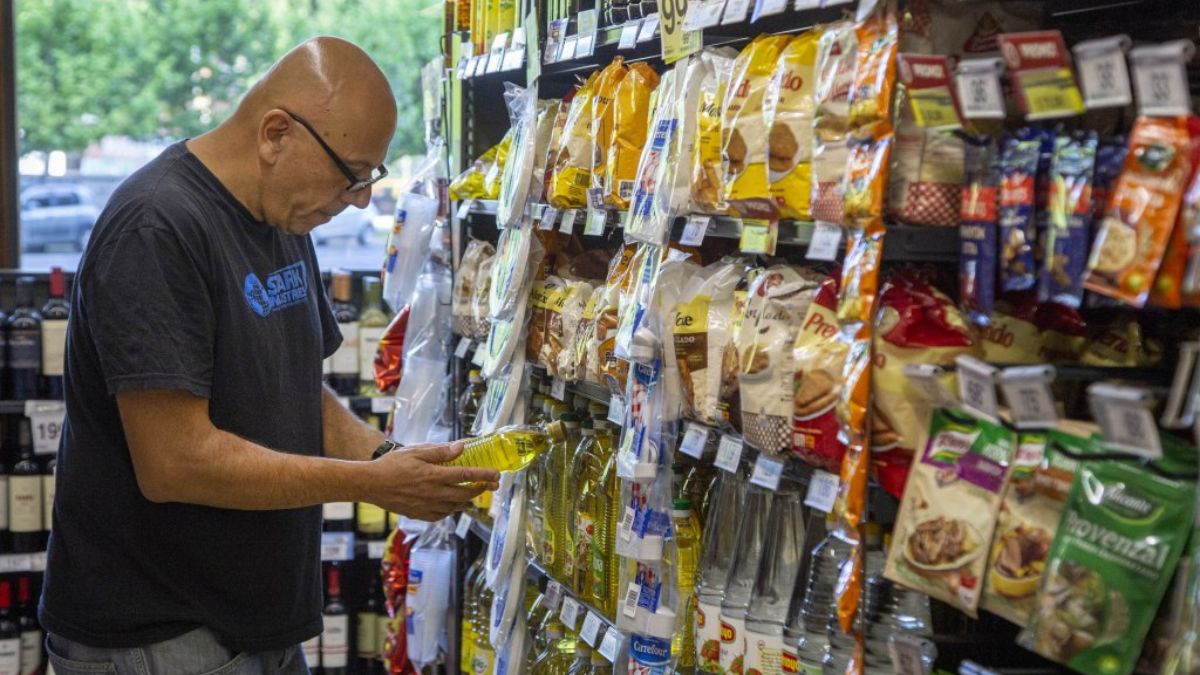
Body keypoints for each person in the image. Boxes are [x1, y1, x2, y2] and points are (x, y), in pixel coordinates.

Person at [39, 37, 498, 675]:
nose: (362, 198)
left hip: (252, 626)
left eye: (371, 176)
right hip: (160, 637)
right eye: (352, 173)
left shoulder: (280, 218)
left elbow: (289, 387)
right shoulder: (156, 228)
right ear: (276, 133)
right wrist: (369, 485)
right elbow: (174, 462)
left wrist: (388, 459)